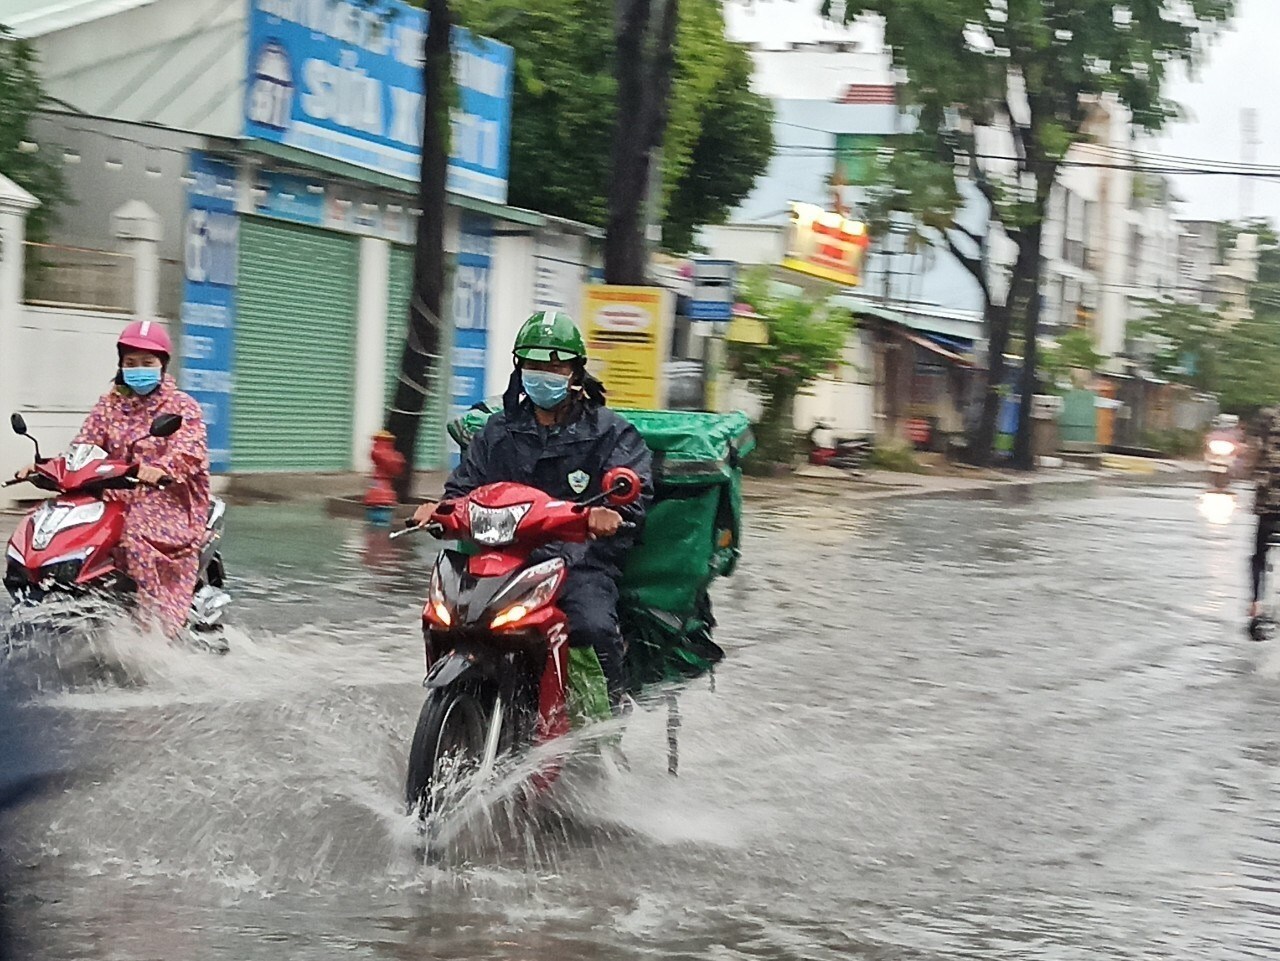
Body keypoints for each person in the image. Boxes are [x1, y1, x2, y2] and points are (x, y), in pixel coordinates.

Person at [412, 310, 653, 705]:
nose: (544, 374)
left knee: (592, 627)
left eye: (554, 365)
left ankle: (600, 730)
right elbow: (462, 489)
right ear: (519, 368)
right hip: (504, 559)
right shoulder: (498, 431)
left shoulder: (611, 432)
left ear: (575, 372)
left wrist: (610, 514)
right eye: (534, 364)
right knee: (447, 618)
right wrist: (438, 510)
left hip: (579, 562)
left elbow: (632, 493)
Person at [16, 321, 211, 638]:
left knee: (132, 534)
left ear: (163, 364)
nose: (139, 369)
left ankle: (156, 625)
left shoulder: (182, 406)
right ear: (121, 364)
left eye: (147, 363)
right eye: (130, 362)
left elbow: (189, 449)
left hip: (166, 500)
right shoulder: (109, 405)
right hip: (114, 495)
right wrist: (45, 467)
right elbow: (84, 447)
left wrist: (160, 468)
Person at [1250, 407, 1280, 626]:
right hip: (1269, 499)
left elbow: (1254, 454)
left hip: (1268, 502)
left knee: (1259, 555)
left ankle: (1256, 602)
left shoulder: (1267, 418)